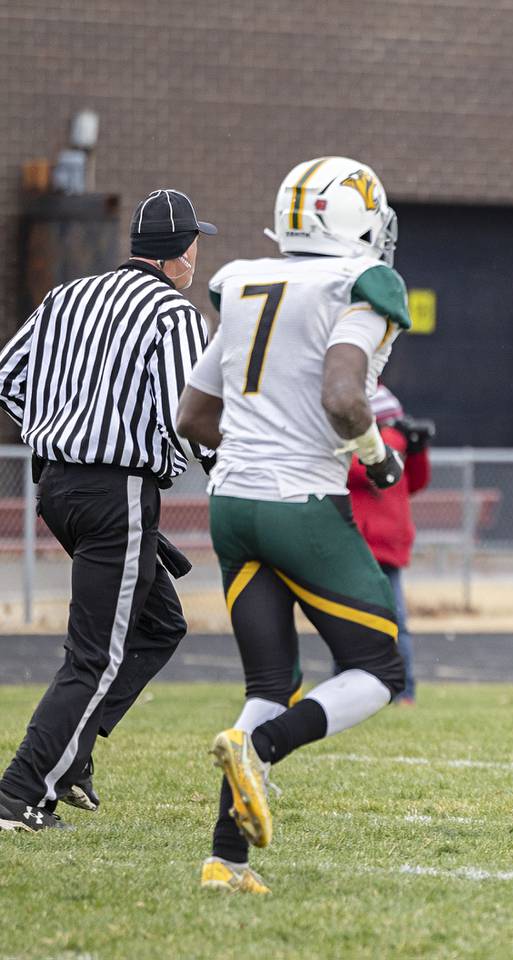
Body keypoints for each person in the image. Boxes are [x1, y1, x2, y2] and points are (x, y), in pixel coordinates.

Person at [176, 157, 409, 894]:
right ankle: (264, 750)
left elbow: (194, 416)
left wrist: (245, 463)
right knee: (378, 669)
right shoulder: (358, 284)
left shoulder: (243, 281)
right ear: (357, 219)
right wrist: (375, 459)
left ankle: (225, 859)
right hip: (299, 502)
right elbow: (344, 396)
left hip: (232, 504)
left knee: (271, 680)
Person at [0, 189, 215, 831]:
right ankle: (20, 792)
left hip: (57, 484)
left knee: (158, 625)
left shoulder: (67, 296)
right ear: (182, 252)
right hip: (114, 490)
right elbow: (189, 415)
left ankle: (73, 754)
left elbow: (8, 376)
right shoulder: (174, 313)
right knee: (95, 654)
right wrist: (221, 475)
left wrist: (57, 426)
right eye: (196, 244)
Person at [344, 384, 433, 705]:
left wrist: (414, 446)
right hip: (386, 545)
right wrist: (415, 448)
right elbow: (417, 482)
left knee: (346, 619)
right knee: (396, 621)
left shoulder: (374, 448)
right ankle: (404, 689)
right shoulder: (396, 448)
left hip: (361, 544)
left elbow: (353, 472)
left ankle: (345, 682)